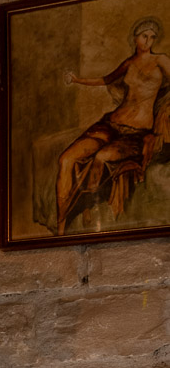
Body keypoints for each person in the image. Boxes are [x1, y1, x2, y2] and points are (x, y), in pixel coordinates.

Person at [56, 17, 170, 235]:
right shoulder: (128, 63)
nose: (148, 41)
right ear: (135, 38)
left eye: (152, 37)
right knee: (66, 159)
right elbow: (105, 80)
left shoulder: (161, 60)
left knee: (101, 157)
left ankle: (86, 205)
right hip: (110, 125)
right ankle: (60, 224)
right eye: (144, 36)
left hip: (136, 133)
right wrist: (77, 80)